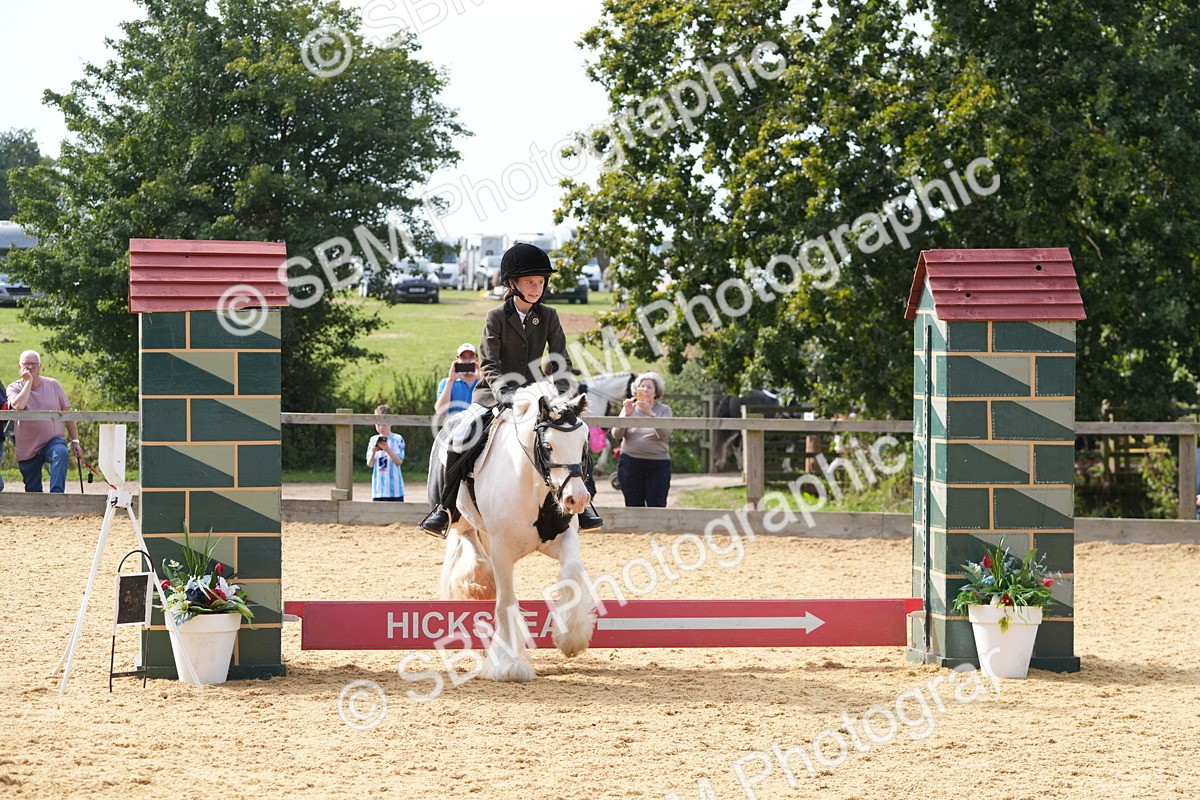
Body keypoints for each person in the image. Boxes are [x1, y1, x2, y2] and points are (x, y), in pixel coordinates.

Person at [419, 242, 603, 536]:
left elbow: (559, 361)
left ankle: (588, 503)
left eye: (540, 282)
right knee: (460, 437)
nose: (536, 287)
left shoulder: (549, 315)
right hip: (493, 395)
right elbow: (488, 363)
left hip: (535, 397)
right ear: (512, 283)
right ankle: (444, 508)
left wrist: (564, 398)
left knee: (575, 432)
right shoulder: (496, 317)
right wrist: (505, 395)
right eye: (530, 282)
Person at [5, 350, 83, 493]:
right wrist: (28, 381)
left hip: (52, 440)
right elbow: (18, 406)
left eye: (34, 364)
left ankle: (56, 495)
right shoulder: (14, 387)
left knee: (61, 452)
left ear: (40, 366)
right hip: (27, 447)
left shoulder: (53, 385)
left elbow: (67, 413)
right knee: (33, 490)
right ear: (19, 367)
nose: (30, 367)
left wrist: (75, 441)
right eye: (26, 364)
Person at [612, 371, 673, 507]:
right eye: (642, 387)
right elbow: (616, 434)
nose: (645, 390)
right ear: (636, 390)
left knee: (657, 504)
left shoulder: (664, 410)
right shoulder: (629, 408)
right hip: (630, 463)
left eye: (649, 387)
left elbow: (665, 435)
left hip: (658, 464)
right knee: (633, 505)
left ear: (656, 392)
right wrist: (625, 416)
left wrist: (650, 415)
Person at [365, 404, 405, 501]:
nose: (381, 428)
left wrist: (387, 449)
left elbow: (399, 462)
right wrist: (373, 452)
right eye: (378, 425)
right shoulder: (373, 440)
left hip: (395, 490)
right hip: (378, 490)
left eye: (384, 424)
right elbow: (369, 464)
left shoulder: (397, 439)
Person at [434, 342, 481, 423]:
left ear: (477, 359)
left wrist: (481, 379)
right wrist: (450, 381)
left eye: (471, 357)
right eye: (463, 357)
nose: (467, 361)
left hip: (480, 428)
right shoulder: (446, 382)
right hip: (455, 428)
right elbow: (440, 411)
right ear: (457, 360)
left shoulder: (484, 382)